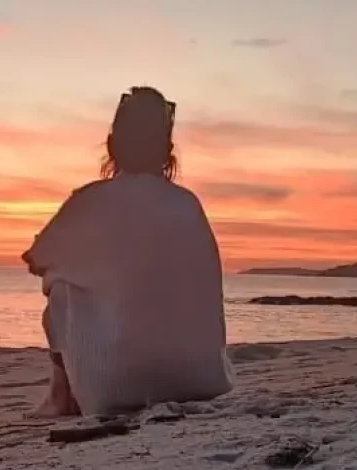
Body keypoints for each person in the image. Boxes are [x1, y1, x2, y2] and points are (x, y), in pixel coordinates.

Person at [21, 86, 234, 417]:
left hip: (116, 390)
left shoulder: (90, 200)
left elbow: (36, 259)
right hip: (203, 380)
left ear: (111, 145)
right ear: (168, 150)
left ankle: (59, 395)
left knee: (59, 282)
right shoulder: (188, 204)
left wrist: (80, 261)